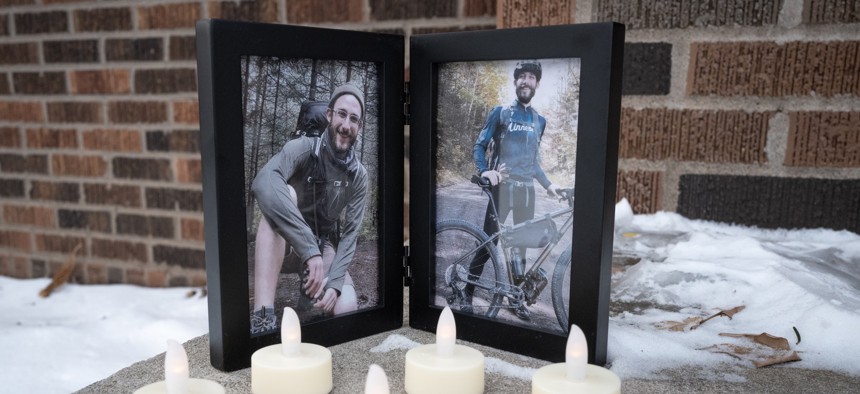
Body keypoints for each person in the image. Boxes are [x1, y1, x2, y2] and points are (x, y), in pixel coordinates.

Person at [250, 82, 369, 335]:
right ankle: (263, 316)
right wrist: (307, 247)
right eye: (341, 114)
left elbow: (350, 234)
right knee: (287, 194)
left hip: (321, 244)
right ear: (329, 115)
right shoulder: (301, 148)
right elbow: (263, 182)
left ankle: (311, 292)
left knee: (346, 307)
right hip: (285, 243)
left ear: (359, 127)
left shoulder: (358, 175)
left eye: (354, 119)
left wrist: (335, 283)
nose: (346, 125)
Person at [469, 60, 561, 321]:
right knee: (489, 243)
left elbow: (534, 163)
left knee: (520, 248)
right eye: (522, 76)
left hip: (527, 192)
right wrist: (485, 170)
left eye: (531, 77)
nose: (526, 81)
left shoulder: (539, 121)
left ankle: (515, 298)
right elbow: (479, 145)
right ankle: (467, 290)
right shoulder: (500, 113)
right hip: (502, 189)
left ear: (537, 84)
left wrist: (549, 185)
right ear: (515, 81)